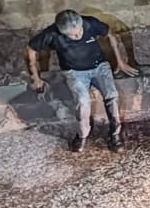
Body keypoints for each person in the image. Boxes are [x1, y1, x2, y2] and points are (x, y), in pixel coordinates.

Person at [25, 10, 139, 153]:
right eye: (72, 35)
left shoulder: (90, 23)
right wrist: (35, 77)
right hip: (74, 71)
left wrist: (120, 61)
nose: (77, 35)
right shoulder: (52, 34)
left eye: (79, 31)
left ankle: (115, 134)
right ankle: (82, 135)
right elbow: (31, 48)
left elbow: (110, 34)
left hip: (99, 66)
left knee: (112, 95)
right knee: (82, 101)